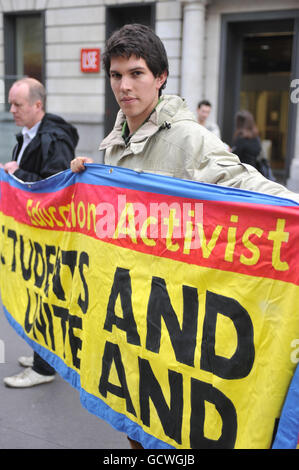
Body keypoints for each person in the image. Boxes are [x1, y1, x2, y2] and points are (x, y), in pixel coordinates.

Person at [70, 23, 299, 448]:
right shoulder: (114, 141)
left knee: (171, 426)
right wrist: (89, 180)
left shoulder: (189, 138)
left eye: (136, 73)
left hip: (172, 311)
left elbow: (241, 182)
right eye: (116, 75)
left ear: (160, 77)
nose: (124, 86)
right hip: (133, 312)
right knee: (135, 421)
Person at [3, 77, 79, 388]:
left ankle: (43, 368)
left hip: (47, 235)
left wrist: (16, 173)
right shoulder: (30, 134)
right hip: (31, 230)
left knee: (44, 295)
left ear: (38, 105)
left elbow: (55, 185)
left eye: (17, 104)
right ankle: (42, 352)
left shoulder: (54, 139)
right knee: (33, 293)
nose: (11, 110)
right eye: (10, 103)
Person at [231, 110, 274, 180]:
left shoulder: (241, 138)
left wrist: (230, 151)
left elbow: (235, 155)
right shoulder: (256, 136)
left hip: (242, 173)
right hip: (255, 172)